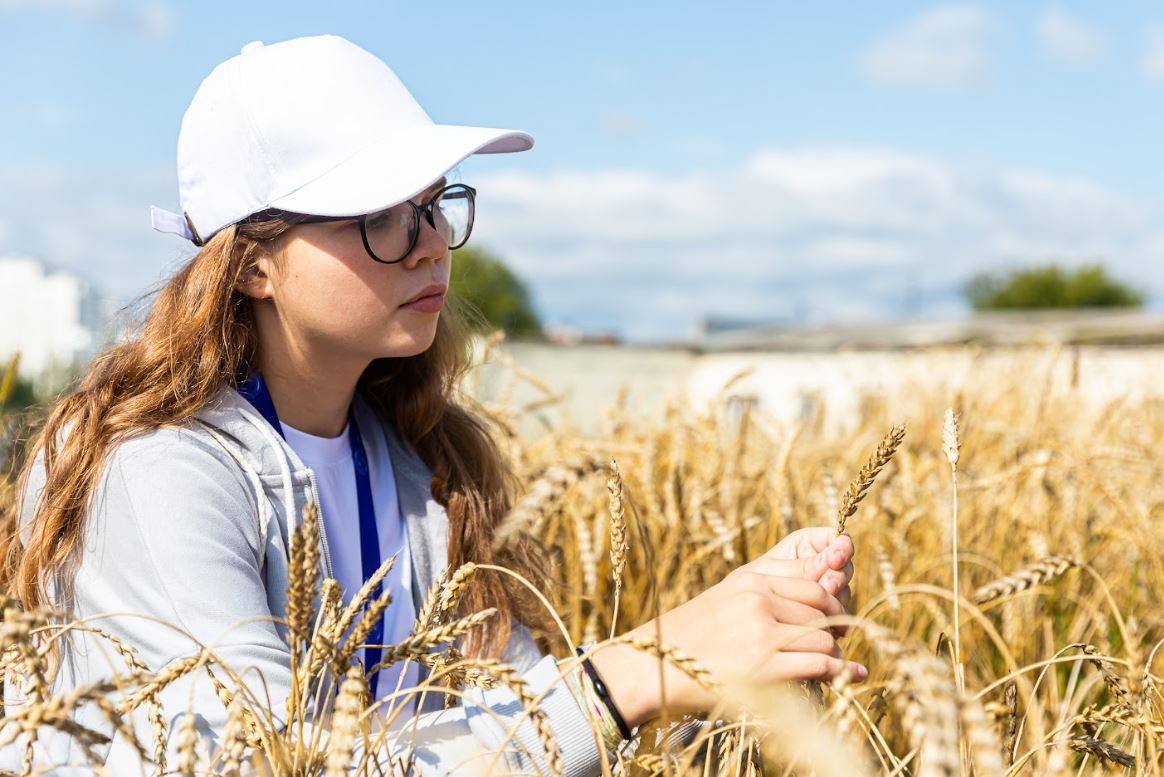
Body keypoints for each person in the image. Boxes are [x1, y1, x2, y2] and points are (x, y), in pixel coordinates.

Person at [0, 34, 865, 776]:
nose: (428, 247)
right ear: (252, 262)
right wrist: (632, 672)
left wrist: (743, 634)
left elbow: (527, 731)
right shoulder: (155, 474)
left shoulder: (423, 463)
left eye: (432, 205)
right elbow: (269, 757)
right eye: (380, 214)